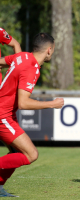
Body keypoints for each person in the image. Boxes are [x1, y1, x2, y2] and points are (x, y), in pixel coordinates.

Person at [0, 33, 64, 197]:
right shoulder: (31, 68)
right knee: (31, 154)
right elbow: (23, 103)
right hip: (2, 115)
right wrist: (52, 104)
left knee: (16, 152)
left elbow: (2, 62)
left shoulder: (22, 56)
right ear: (49, 50)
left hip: (6, 114)